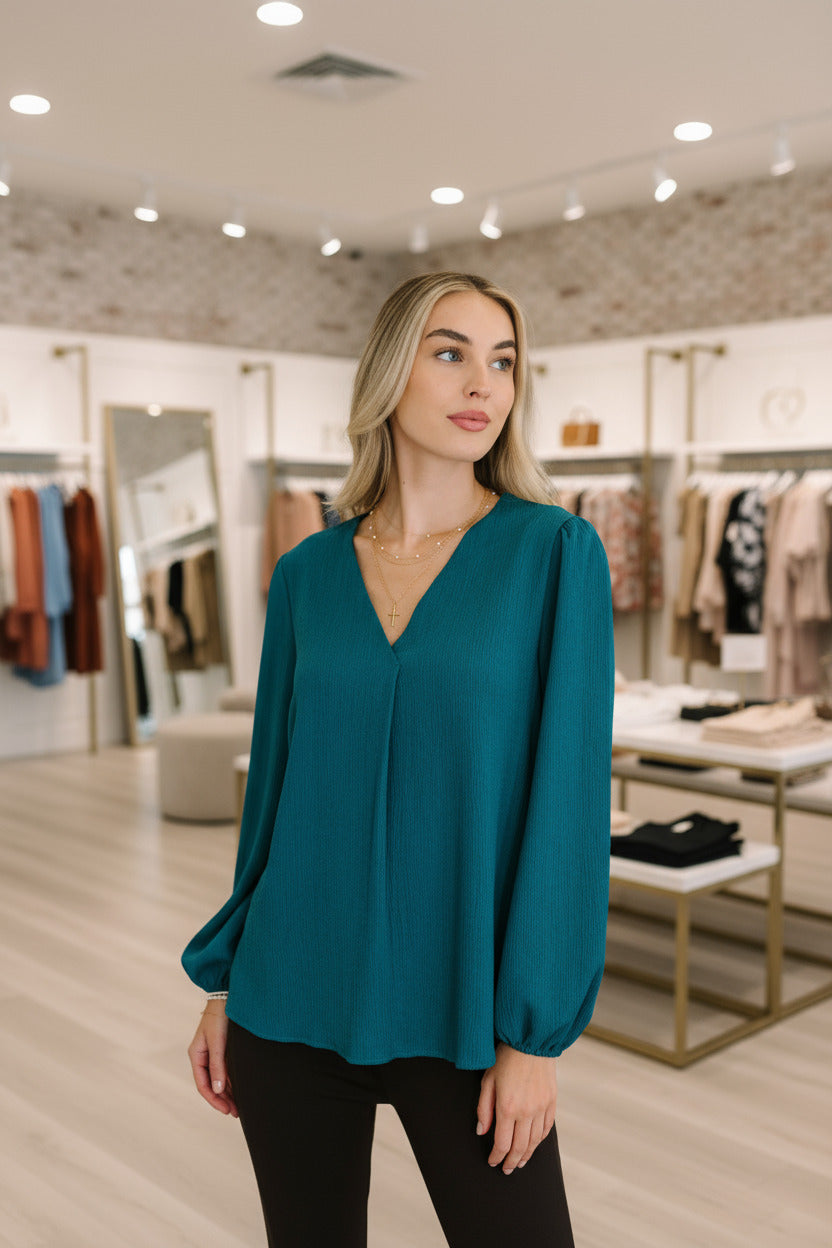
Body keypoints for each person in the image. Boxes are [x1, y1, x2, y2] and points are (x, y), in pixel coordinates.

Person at [183, 271, 614, 1247]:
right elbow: (276, 802)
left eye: (502, 362)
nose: (483, 385)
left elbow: (566, 806)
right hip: (289, 994)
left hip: (460, 1007)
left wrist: (530, 1038)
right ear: (388, 375)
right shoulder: (305, 575)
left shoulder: (553, 554)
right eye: (450, 352)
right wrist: (226, 982)